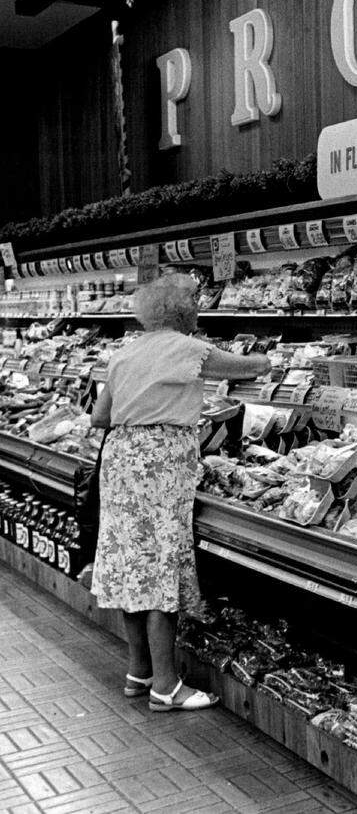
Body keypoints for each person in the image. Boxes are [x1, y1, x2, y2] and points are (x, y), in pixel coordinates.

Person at [90, 273, 269, 712]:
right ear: (183, 310)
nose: (198, 306)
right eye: (195, 300)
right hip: (161, 464)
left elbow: (99, 417)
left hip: (122, 459)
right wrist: (269, 357)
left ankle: (139, 672)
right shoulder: (188, 348)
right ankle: (166, 687)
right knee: (162, 571)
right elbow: (252, 368)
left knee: (132, 569)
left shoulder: (124, 352)